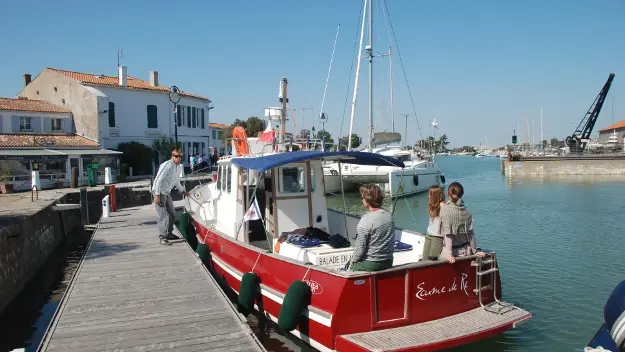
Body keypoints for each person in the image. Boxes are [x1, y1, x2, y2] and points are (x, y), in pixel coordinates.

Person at [349, 184, 395, 272]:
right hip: (388, 261)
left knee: (350, 267)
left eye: (362, 197)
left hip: (372, 263)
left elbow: (359, 250)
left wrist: (352, 261)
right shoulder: (389, 216)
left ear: (368, 199)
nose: (362, 200)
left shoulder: (366, 220)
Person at [439, 182, 485, 263]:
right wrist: (475, 251)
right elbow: (471, 235)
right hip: (466, 251)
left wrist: (449, 254)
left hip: (451, 255)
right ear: (462, 194)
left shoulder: (444, 210)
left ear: (448, 194)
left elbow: (448, 234)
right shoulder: (466, 211)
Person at [152, 148, 189, 245]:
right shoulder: (167, 165)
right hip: (159, 191)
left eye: (180, 156)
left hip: (167, 192)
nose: (178, 158)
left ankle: (169, 233)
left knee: (172, 213)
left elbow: (176, 181)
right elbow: (158, 180)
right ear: (172, 156)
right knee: (162, 215)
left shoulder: (178, 167)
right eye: (176, 156)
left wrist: (183, 191)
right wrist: (157, 195)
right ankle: (162, 238)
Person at [421, 185, 446, 261]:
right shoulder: (433, 205)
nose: (428, 196)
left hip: (437, 238)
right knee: (424, 259)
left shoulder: (443, 206)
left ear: (435, 195)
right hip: (429, 235)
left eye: (430, 194)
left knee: (432, 260)